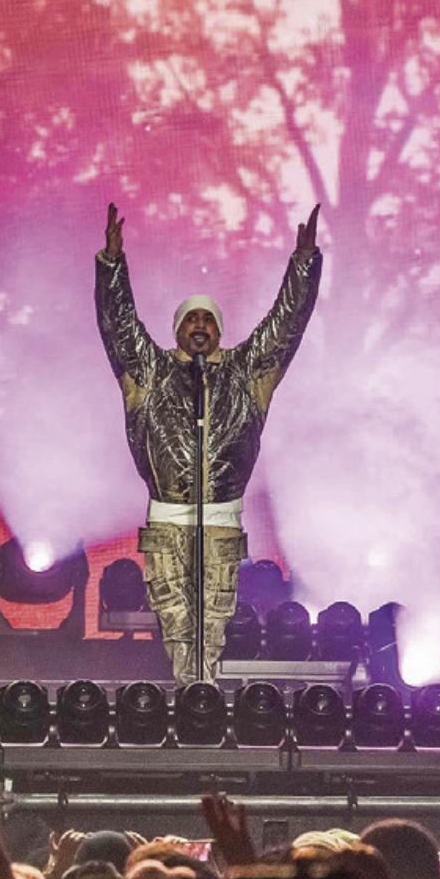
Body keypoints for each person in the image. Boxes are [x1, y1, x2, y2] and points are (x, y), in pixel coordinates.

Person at [95, 201, 321, 684]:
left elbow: (284, 329)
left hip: (220, 521)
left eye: (207, 320)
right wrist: (112, 265)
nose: (199, 325)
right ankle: (194, 699)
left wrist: (303, 265)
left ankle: (201, 699)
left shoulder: (246, 374)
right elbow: (119, 328)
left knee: (212, 628)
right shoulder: (150, 372)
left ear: (218, 329)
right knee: (178, 626)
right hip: (168, 520)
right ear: (178, 330)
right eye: (190, 320)